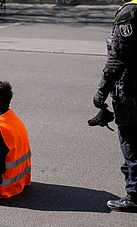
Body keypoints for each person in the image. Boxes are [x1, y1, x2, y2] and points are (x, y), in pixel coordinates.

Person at [93, 0, 137, 212]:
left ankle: (135, 195)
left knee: (131, 143)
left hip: (131, 91)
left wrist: (102, 91)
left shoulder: (130, 12)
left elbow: (117, 58)